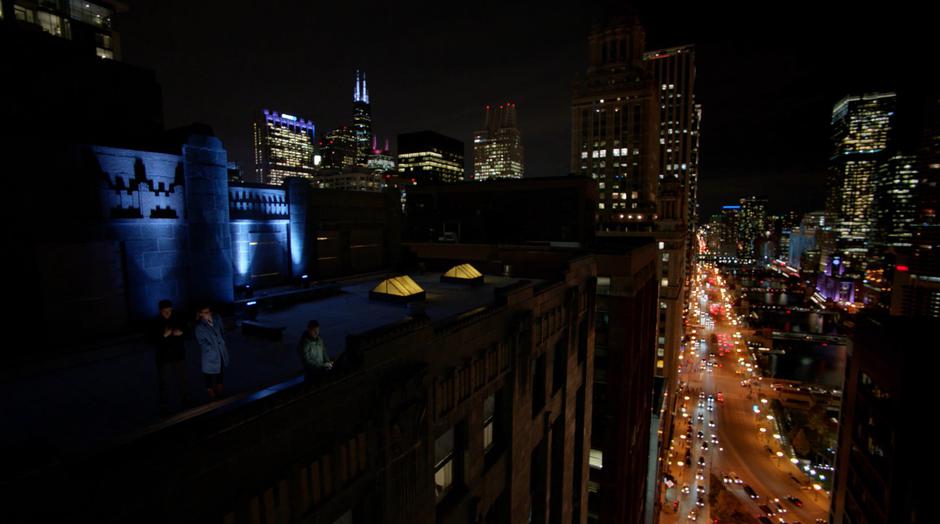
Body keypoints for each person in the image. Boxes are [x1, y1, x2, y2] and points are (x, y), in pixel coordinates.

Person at [153, 299, 189, 415]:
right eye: (165, 311)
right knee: (164, 382)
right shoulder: (156, 322)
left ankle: (185, 399)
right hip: (164, 357)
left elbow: (187, 329)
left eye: (170, 311)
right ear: (161, 311)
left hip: (178, 354)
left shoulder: (177, 318)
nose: (168, 313)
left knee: (182, 379)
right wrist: (164, 335)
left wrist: (181, 332)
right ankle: (164, 405)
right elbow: (150, 339)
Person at [194, 305, 229, 400]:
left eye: (209, 311)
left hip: (220, 350)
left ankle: (219, 385)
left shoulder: (216, 320)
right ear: (201, 314)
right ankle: (209, 388)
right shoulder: (200, 327)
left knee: (220, 367)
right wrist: (210, 348)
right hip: (210, 353)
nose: (208, 314)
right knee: (208, 372)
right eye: (205, 312)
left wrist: (222, 341)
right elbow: (201, 342)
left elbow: (222, 330)